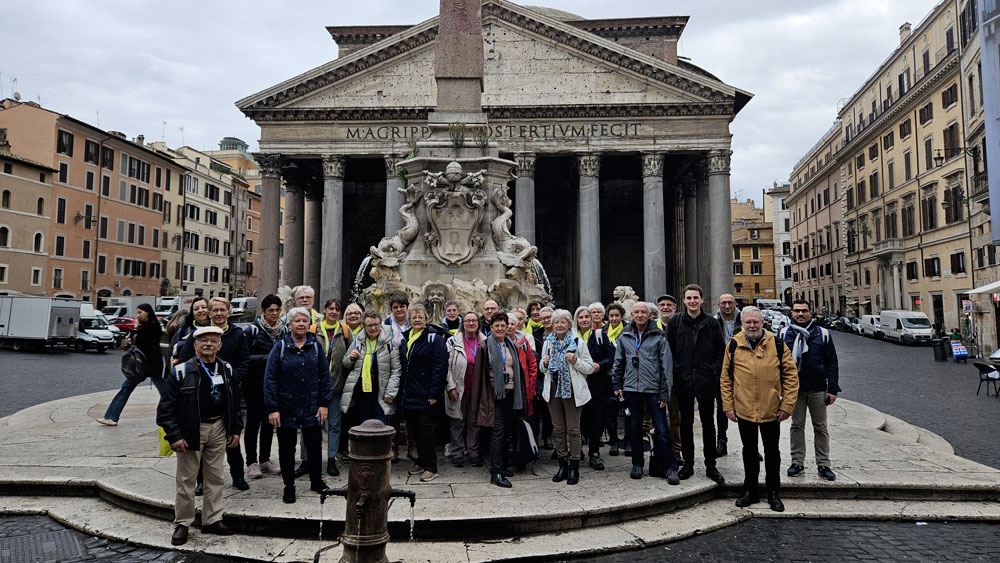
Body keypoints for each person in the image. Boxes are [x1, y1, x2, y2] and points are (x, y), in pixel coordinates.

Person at [158, 325, 242, 546]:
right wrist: (174, 435)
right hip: (191, 430)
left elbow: (235, 403)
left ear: (220, 346)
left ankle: (212, 519)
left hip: (219, 427)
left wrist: (235, 429)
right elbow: (165, 409)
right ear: (195, 345)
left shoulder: (227, 369)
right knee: (187, 479)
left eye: (213, 341)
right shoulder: (181, 371)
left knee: (216, 477)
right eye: (204, 340)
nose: (208, 344)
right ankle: (183, 523)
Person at [720, 306, 798, 512]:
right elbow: (725, 378)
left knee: (772, 453)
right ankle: (750, 490)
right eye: (748, 322)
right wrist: (728, 405)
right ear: (742, 324)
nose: (752, 325)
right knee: (749, 452)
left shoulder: (777, 344)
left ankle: (773, 493)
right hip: (744, 409)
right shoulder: (734, 345)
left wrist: (787, 405)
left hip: (771, 409)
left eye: (756, 322)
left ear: (762, 323)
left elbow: (791, 376)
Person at [178, 297, 251, 491]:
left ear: (229, 312)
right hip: (202, 393)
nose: (219, 314)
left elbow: (244, 362)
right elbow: (184, 360)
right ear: (209, 313)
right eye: (215, 310)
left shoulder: (237, 334)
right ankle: (202, 480)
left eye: (222, 310)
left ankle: (238, 476)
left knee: (232, 437)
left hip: (229, 392)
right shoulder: (199, 334)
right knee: (202, 439)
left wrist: (232, 379)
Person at [264, 307, 333, 504]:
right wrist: (273, 408)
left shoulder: (315, 346)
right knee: (287, 449)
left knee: (314, 447)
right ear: (290, 324)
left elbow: (324, 376)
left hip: (311, 405)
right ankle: (289, 486)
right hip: (286, 406)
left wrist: (324, 404)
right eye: (297, 321)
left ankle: (316, 481)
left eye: (304, 321)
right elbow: (270, 379)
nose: (301, 324)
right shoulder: (280, 347)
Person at [611, 301, 680, 484]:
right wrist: (617, 384)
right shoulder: (625, 335)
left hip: (653, 390)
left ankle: (670, 467)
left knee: (662, 430)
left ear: (650, 315)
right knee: (634, 429)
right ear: (632, 315)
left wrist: (665, 392)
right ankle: (637, 464)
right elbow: (619, 361)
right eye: (637, 312)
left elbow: (666, 366)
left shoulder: (659, 335)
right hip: (631, 389)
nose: (640, 315)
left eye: (644, 312)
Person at [665, 284, 726, 484]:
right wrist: (677, 370)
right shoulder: (675, 322)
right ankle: (688, 464)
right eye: (689, 298)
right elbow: (668, 350)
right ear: (684, 300)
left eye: (695, 298)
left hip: (705, 379)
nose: (692, 301)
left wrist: (712, 370)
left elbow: (721, 350)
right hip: (683, 380)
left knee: (708, 424)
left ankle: (711, 465)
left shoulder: (711, 322)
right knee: (686, 423)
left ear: (701, 300)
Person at [469, 311, 531, 488]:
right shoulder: (484, 346)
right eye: (497, 326)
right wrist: (476, 401)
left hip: (511, 394)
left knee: (506, 431)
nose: (500, 328)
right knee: (497, 432)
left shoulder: (512, 345)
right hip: (494, 395)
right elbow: (478, 376)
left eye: (503, 325)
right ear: (491, 327)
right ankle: (495, 472)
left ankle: (502, 466)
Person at [781, 299, 840, 482]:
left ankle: (824, 464)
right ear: (791, 313)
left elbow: (832, 363)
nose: (800, 314)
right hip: (794, 390)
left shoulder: (823, 334)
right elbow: (777, 364)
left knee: (820, 427)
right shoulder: (783, 334)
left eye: (804, 311)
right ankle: (797, 462)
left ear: (810, 313)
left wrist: (832, 389)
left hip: (818, 388)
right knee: (796, 426)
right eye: (797, 311)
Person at [540, 309, 594, 485]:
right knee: (558, 429)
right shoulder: (548, 343)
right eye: (556, 322)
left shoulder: (578, 342)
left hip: (572, 389)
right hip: (553, 389)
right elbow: (542, 367)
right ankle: (562, 464)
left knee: (573, 429)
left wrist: (575, 361)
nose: (559, 325)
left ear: (569, 324)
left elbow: (590, 367)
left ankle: (574, 466)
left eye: (563, 322)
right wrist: (544, 363)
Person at [398, 303, 448, 482]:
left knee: (425, 430)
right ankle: (420, 460)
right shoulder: (406, 338)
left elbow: (440, 367)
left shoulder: (434, 339)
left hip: (425, 393)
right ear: (409, 320)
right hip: (409, 392)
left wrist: (434, 393)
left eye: (420, 317)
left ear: (427, 320)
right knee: (415, 429)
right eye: (414, 317)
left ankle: (431, 467)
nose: (417, 320)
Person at [99, 303, 165, 426]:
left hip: (150, 365)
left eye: (140, 312)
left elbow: (138, 340)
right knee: (127, 388)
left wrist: (135, 327)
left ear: (147, 312)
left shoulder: (153, 326)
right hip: (142, 364)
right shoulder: (146, 325)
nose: (138, 315)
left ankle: (111, 417)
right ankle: (111, 417)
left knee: (165, 393)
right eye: (137, 312)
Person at [309, 298, 354, 477]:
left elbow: (350, 357)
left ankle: (331, 459)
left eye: (337, 309)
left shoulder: (345, 331)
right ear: (325, 310)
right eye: (331, 309)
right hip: (315, 387)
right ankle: (307, 460)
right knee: (311, 425)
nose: (334, 312)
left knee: (335, 425)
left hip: (336, 386)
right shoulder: (313, 330)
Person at [243, 294, 283, 479]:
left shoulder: (283, 330)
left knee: (269, 423)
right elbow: (244, 358)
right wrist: (269, 359)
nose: (274, 314)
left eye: (277, 310)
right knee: (253, 423)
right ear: (263, 312)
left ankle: (265, 459)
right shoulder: (252, 331)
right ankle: (251, 462)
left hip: (274, 385)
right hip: (254, 383)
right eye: (270, 311)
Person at [341, 311, 401, 424]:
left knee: (380, 425)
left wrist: (390, 393)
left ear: (381, 324)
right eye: (369, 325)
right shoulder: (358, 341)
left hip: (381, 393)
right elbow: (345, 363)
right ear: (364, 326)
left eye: (376, 324)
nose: (373, 328)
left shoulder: (390, 343)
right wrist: (351, 358)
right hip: (361, 393)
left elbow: (396, 370)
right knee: (363, 425)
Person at [575, 306, 614, 471]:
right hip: (577, 384)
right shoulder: (572, 336)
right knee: (578, 420)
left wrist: (600, 365)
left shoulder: (599, 335)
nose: (584, 320)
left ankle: (594, 453)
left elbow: (611, 356)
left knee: (596, 419)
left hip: (596, 384)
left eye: (587, 317)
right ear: (576, 320)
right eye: (581, 317)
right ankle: (577, 450)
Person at [445, 312, 484, 467]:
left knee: (474, 422)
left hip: (477, 390)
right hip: (459, 388)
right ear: (463, 323)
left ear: (478, 323)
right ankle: (457, 453)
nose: (471, 323)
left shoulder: (485, 341)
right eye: (467, 321)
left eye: (474, 320)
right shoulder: (453, 341)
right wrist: (450, 387)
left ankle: (474, 452)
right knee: (457, 422)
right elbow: (447, 366)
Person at [714, 293, 742, 457]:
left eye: (730, 302)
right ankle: (721, 441)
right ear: (718, 305)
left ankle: (750, 445)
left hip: (743, 370)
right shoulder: (713, 321)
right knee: (722, 408)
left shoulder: (745, 319)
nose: (727, 306)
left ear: (735, 304)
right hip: (721, 370)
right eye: (723, 303)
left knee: (746, 408)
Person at [603, 302, 627, 457]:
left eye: (617, 315)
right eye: (611, 315)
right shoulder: (603, 332)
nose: (614, 318)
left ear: (622, 316)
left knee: (629, 411)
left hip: (627, 377)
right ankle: (614, 441)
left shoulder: (628, 330)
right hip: (608, 377)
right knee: (610, 411)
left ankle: (628, 441)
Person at [531, 306, 555, 450]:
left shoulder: (561, 333)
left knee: (549, 411)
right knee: (538, 409)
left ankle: (548, 436)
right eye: (543, 318)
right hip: (539, 375)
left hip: (554, 376)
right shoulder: (536, 335)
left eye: (548, 317)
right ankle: (536, 438)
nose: (546, 320)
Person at [170, 297, 210, 362]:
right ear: (192, 313)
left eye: (204, 307)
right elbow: (170, 352)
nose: (200, 310)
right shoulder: (184, 330)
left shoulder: (218, 328)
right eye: (196, 309)